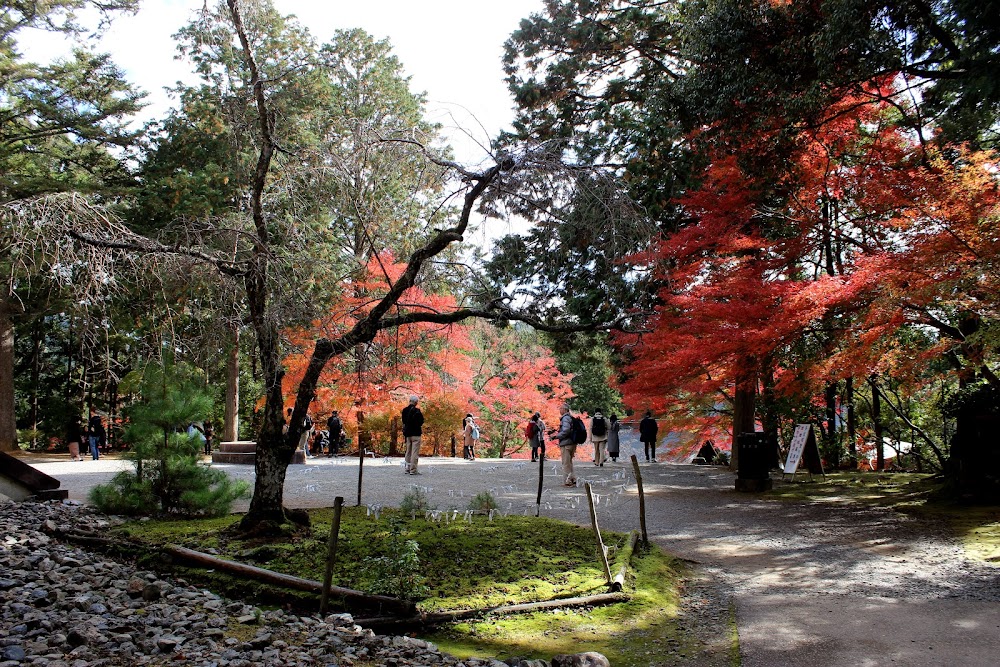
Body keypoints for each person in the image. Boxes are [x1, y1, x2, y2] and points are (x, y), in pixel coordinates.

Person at [401, 395, 424, 474]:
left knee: (408, 451)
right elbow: (421, 422)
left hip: (407, 433)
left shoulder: (404, 410)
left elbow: (403, 421)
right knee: (414, 452)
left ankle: (407, 468)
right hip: (416, 434)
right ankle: (413, 469)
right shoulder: (417, 411)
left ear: (409, 401)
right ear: (416, 402)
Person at [556, 404, 576, 486]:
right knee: (569, 462)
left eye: (560, 408)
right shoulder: (571, 417)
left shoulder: (565, 418)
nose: (559, 410)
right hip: (572, 442)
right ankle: (572, 478)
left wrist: (557, 436)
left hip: (566, 443)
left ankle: (568, 481)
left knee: (566, 462)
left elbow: (566, 430)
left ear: (564, 409)